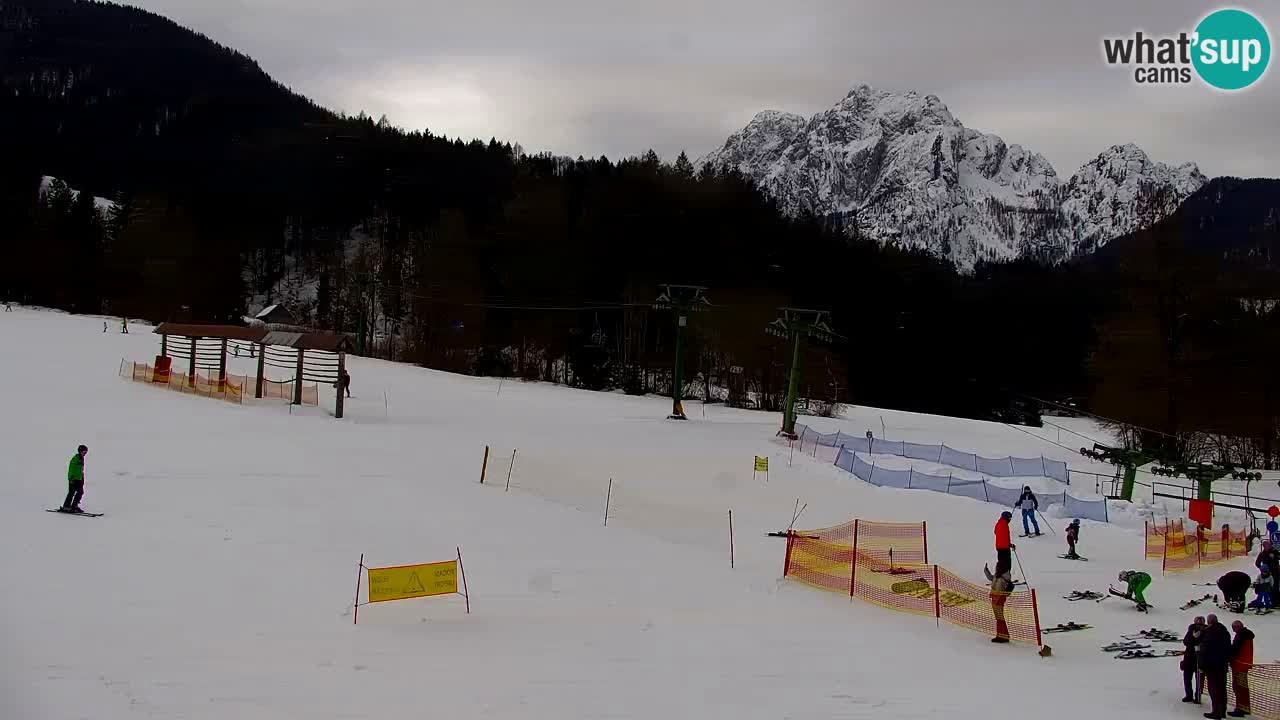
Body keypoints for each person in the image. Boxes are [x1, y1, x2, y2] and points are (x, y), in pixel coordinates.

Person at [1200, 614, 1233, 720]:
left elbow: (1205, 650)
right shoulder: (1225, 632)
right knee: (1222, 689)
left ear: (1209, 622)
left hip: (1212, 666)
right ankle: (1222, 711)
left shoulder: (1210, 633)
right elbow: (1229, 649)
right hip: (1222, 665)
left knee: (1214, 689)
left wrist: (1202, 665)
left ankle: (1216, 712)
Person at [1229, 620, 1254, 717]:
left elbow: (1235, 650)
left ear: (1237, 627)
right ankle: (1245, 707)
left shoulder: (1241, 636)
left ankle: (1240, 708)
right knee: (1243, 688)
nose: (1233, 630)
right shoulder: (1247, 635)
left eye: (1233, 628)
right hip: (1245, 664)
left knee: (1238, 687)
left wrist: (1228, 655)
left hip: (1239, 665)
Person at [984, 563, 1014, 644]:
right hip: (995, 598)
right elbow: (991, 578)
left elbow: (1000, 588)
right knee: (999, 618)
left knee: (999, 618)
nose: (996, 568)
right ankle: (1003, 635)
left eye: (997, 567)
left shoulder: (1003, 578)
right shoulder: (998, 575)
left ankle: (1002, 636)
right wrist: (986, 571)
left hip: (999, 599)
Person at [1183, 615, 1206, 704]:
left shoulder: (1206, 631)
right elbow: (1186, 641)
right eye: (1197, 624)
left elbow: (1205, 643)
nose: (1199, 626)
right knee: (1187, 678)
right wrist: (1193, 637)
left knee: (1199, 679)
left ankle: (1198, 696)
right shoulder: (1191, 629)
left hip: (1200, 658)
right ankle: (1188, 695)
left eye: (1201, 624)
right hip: (1189, 657)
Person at [60, 445, 88, 513]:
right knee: (71, 493)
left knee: (80, 492)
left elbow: (80, 470)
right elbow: (71, 468)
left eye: (86, 452)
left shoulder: (81, 458)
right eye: (84, 452)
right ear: (80, 451)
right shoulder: (75, 458)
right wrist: (71, 478)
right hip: (73, 479)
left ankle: (74, 506)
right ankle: (66, 506)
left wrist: (82, 478)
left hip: (79, 479)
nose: (85, 454)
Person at [994, 511, 1015, 577]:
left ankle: (1000, 576)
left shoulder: (1000, 523)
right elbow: (1003, 537)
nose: (1010, 520)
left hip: (1000, 546)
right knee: (1006, 563)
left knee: (1002, 562)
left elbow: (998, 534)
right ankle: (1003, 577)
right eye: (1009, 518)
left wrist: (1009, 544)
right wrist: (1009, 544)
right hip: (1004, 548)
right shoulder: (1003, 525)